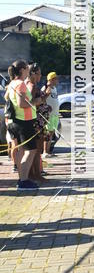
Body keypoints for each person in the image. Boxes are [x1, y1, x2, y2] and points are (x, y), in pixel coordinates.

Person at [6, 60, 39, 190]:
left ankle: (22, 179)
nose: (28, 71)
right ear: (22, 70)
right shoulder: (20, 84)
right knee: (30, 151)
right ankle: (24, 181)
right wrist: (35, 101)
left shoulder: (12, 84)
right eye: (26, 68)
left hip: (14, 122)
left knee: (20, 151)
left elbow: (7, 98)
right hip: (23, 122)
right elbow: (22, 104)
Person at [42, 71, 61, 158]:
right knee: (47, 133)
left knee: (51, 133)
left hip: (55, 114)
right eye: (56, 78)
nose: (58, 80)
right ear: (52, 79)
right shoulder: (45, 87)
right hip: (49, 115)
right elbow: (41, 100)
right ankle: (45, 151)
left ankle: (48, 151)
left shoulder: (54, 88)